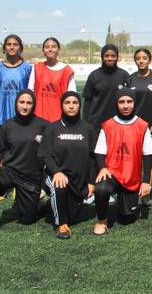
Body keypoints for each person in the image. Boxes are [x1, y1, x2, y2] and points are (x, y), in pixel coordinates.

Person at [0, 90, 49, 238]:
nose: (25, 106)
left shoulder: (44, 125)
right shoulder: (7, 126)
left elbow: (51, 151)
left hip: (31, 177)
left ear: (33, 105)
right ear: (16, 103)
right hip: (10, 171)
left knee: (28, 219)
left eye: (29, 103)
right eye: (22, 102)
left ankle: (37, 204)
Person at [92, 89, 152, 234]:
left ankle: (124, 201)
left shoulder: (142, 125)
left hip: (131, 177)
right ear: (116, 103)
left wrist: (146, 181)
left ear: (134, 103)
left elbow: (148, 156)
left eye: (129, 102)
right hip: (112, 173)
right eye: (121, 102)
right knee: (102, 189)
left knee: (127, 219)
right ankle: (102, 221)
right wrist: (102, 168)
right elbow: (100, 152)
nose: (125, 106)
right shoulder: (107, 125)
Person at [39, 91, 96, 239]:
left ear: (80, 106)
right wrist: (57, 172)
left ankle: (50, 207)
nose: (71, 106)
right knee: (59, 187)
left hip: (78, 179)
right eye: (67, 103)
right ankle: (62, 225)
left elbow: (92, 157)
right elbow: (46, 156)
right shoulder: (52, 128)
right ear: (62, 106)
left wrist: (91, 181)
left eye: (75, 103)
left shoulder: (88, 129)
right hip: (56, 175)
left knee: (74, 217)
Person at [124, 48, 152, 187]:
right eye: (138, 58)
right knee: (134, 157)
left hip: (151, 125)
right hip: (133, 125)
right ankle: (134, 185)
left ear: (150, 60)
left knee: (151, 157)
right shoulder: (130, 79)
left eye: (144, 58)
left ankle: (147, 187)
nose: (141, 61)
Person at [0, 34, 32, 143]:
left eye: (15, 44)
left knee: (19, 149)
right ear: (4, 48)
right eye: (9, 44)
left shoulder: (28, 69)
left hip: (20, 117)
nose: (12, 47)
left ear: (21, 48)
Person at [29, 37, 76, 122]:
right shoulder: (36, 68)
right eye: (47, 47)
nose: (50, 49)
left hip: (59, 119)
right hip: (38, 118)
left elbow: (72, 97)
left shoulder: (67, 70)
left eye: (53, 47)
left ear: (59, 50)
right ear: (43, 51)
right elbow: (30, 92)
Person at [83, 44, 129, 131]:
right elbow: (87, 102)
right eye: (106, 56)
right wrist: (85, 123)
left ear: (117, 57)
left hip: (119, 123)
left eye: (113, 56)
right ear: (102, 57)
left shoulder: (124, 75)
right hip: (96, 124)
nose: (110, 58)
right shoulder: (94, 75)